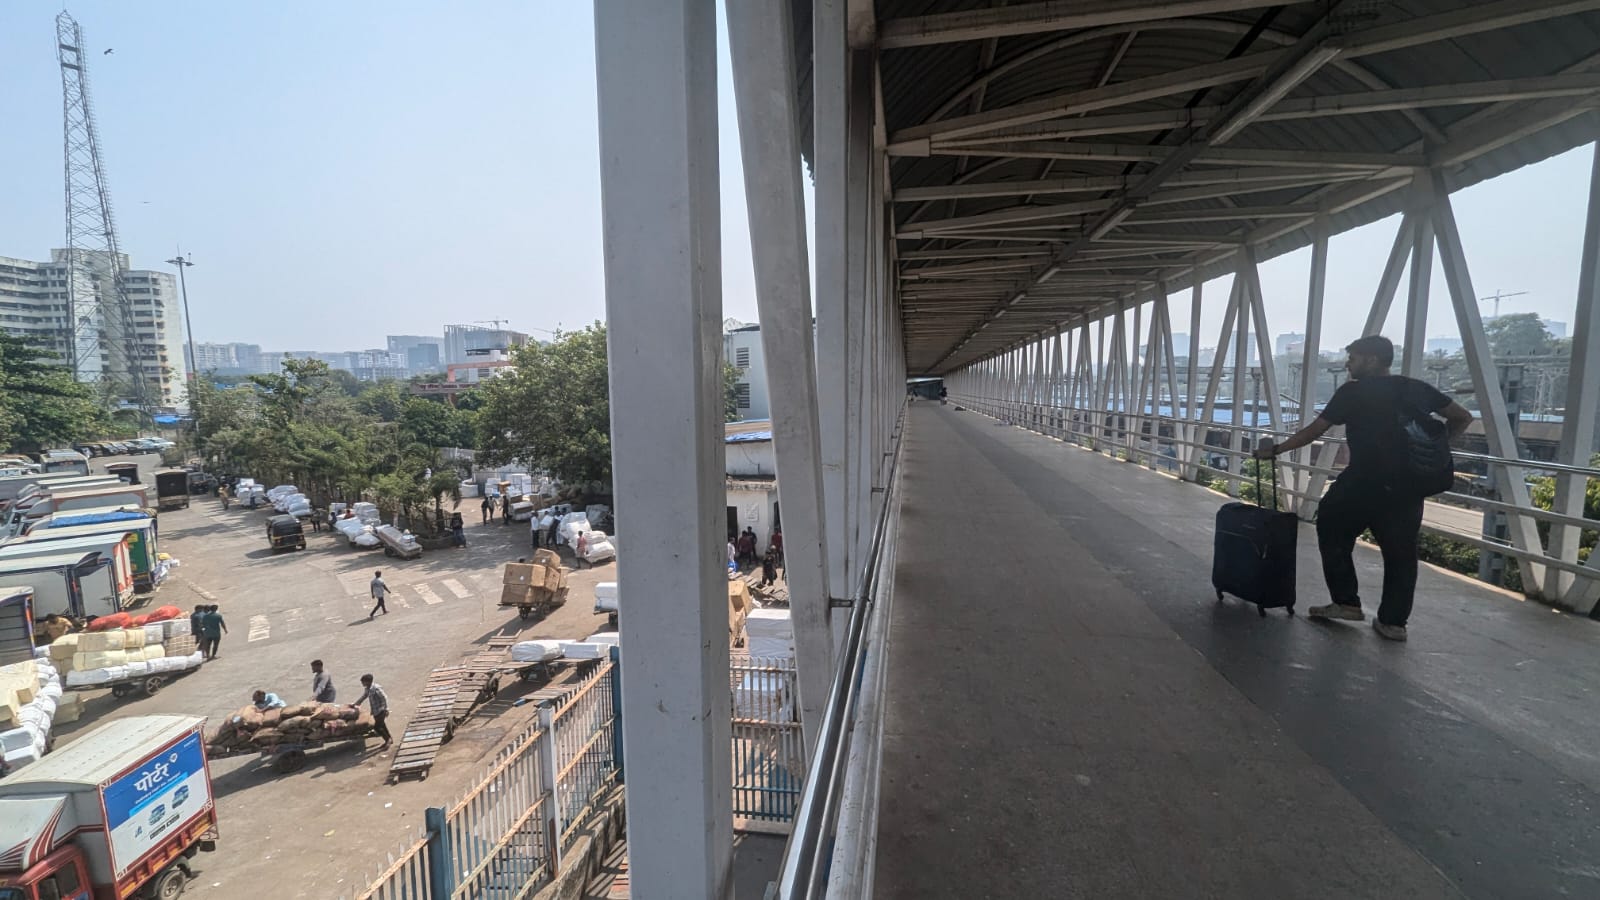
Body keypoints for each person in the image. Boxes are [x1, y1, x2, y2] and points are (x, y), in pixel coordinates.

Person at [1254, 335, 1472, 641]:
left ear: (1371, 360)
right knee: (1401, 553)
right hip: (1408, 485)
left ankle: (1346, 602)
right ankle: (1393, 623)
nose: (1347, 364)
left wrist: (1276, 450)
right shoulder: (1415, 387)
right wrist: (1438, 446)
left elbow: (1314, 431)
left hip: (1365, 479)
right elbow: (1463, 417)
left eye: (1353, 358)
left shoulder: (1353, 393)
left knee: (1331, 525)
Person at [350, 674, 392, 750]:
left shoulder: (376, 688)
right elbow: (363, 697)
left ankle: (387, 740)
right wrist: (355, 704)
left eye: (363, 682)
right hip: (375, 711)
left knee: (377, 727)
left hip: (381, 710)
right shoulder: (367, 689)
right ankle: (389, 739)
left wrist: (386, 709)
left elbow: (384, 698)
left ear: (368, 682)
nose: (362, 683)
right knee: (382, 726)